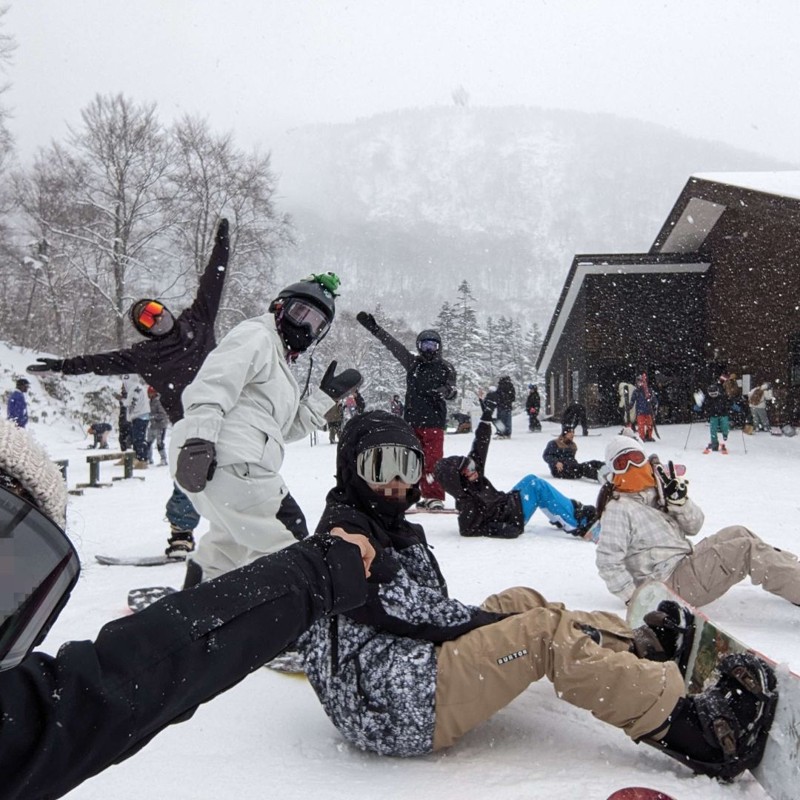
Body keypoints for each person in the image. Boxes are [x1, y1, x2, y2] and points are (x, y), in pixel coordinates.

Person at [295, 410, 776, 782]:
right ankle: (700, 733)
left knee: (520, 600)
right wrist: (497, 630)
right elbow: (404, 609)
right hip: (395, 704)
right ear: (350, 469)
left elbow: (415, 613)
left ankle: (633, 646)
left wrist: (493, 621)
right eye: (381, 465)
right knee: (541, 635)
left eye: (406, 465)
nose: (396, 483)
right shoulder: (345, 539)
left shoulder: (386, 525)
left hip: (405, 663)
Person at [0, 416, 374, 800]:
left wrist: (316, 406)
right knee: (266, 529)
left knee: (230, 541)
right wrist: (199, 438)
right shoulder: (242, 354)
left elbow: (140, 669)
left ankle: (202, 576)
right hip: (229, 466)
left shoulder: (16, 729)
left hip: (246, 466)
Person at [28, 219, 230, 558]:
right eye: (147, 320)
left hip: (227, 410)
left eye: (155, 311)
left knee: (241, 466)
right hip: (189, 424)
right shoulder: (144, 356)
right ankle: (181, 533)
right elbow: (99, 362)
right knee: (190, 474)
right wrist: (63, 366)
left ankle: (245, 526)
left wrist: (222, 244)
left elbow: (214, 279)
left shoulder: (198, 320)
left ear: (165, 309)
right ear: (145, 332)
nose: (156, 318)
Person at [171, 272, 361, 586]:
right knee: (288, 539)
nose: (305, 327)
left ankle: (194, 604)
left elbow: (280, 430)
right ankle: (276, 622)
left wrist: (323, 398)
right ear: (279, 308)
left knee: (229, 546)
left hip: (229, 462)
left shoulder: (279, 362)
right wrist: (199, 438)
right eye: (300, 313)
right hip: (223, 456)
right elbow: (216, 380)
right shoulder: (256, 336)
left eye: (317, 325)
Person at [593, 433, 800, 609]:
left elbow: (695, 526)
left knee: (739, 532)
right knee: (745, 549)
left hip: (684, 563)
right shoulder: (618, 509)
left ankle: (794, 577)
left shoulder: (658, 491)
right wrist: (637, 600)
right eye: (621, 463)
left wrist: (680, 503)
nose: (630, 466)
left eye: (635, 458)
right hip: (668, 585)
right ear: (613, 472)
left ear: (645, 459)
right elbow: (607, 561)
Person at [435, 403, 597, 539]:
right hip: (512, 516)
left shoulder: (474, 477)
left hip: (507, 503)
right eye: (469, 468)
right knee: (536, 486)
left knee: (530, 479)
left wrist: (485, 418)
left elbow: (480, 445)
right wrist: (503, 529)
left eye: (472, 465)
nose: (474, 469)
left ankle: (563, 513)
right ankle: (578, 525)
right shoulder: (468, 503)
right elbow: (468, 530)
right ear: (460, 477)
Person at [356, 313, 457, 511]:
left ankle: (433, 496)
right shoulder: (413, 364)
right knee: (409, 459)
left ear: (439, 347)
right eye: (425, 345)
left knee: (433, 460)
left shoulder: (446, 367)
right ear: (419, 347)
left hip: (434, 422)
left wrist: (445, 391)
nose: (429, 350)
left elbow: (453, 390)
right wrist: (375, 329)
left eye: (433, 346)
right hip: (411, 422)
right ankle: (405, 493)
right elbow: (393, 346)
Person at [702, 373, 732, 454]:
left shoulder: (722, 395)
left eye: (715, 394)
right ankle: (714, 443)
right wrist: (703, 410)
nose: (713, 396)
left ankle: (725, 434)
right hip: (713, 415)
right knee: (713, 429)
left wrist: (730, 405)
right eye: (712, 395)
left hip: (723, 413)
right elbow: (704, 406)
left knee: (725, 426)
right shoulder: (707, 398)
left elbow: (728, 402)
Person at [124, 376, 150, 468]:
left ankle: (141, 459)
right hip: (144, 415)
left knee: (138, 439)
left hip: (138, 416)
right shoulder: (141, 387)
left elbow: (131, 402)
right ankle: (141, 458)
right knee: (141, 438)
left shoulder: (134, 389)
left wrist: (124, 401)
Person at [630, 373, 658, 442]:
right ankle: (642, 437)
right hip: (640, 411)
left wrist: (654, 403)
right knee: (641, 425)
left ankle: (649, 436)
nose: (640, 383)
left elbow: (654, 400)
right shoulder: (636, 391)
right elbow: (632, 400)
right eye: (638, 381)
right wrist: (630, 405)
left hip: (648, 411)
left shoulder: (649, 391)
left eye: (641, 381)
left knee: (650, 425)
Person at [146, 386, 169, 465]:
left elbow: (163, 414)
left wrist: (152, 416)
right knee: (148, 443)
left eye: (149, 393)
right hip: (152, 425)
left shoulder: (159, 402)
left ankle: (163, 459)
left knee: (159, 443)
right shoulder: (151, 402)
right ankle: (148, 459)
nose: (148, 394)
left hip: (160, 426)